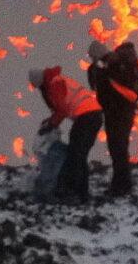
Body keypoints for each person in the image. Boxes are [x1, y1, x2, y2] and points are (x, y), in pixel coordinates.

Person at [87, 34, 138, 197]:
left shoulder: (113, 65)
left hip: (119, 113)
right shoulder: (109, 65)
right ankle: (120, 184)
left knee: (118, 148)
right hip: (117, 112)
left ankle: (122, 186)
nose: (92, 59)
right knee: (117, 148)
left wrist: (99, 71)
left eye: (93, 56)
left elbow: (110, 90)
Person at [34, 64, 105, 203]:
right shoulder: (56, 80)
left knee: (75, 153)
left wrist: (51, 125)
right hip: (91, 115)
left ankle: (73, 192)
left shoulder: (55, 84)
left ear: (39, 82)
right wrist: (50, 121)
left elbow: (62, 110)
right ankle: (81, 192)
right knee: (79, 153)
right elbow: (61, 109)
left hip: (87, 116)